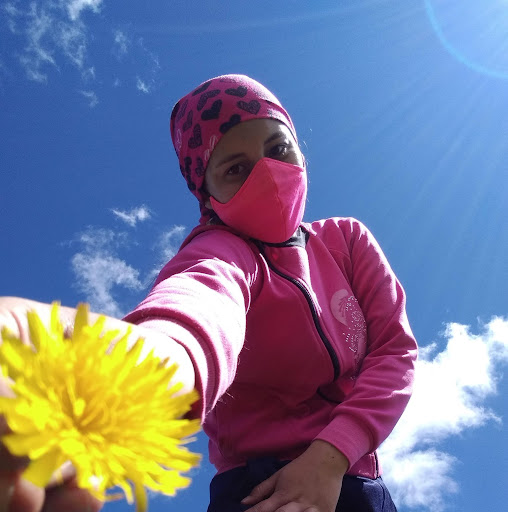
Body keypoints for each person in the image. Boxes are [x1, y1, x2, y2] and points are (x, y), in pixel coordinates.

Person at [0, 74, 417, 512]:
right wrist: (129, 373)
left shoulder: (347, 241)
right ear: (206, 193)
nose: (268, 174)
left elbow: (394, 353)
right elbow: (196, 308)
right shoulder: (222, 251)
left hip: (353, 478)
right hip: (253, 489)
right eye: (235, 168)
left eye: (278, 149)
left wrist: (330, 457)